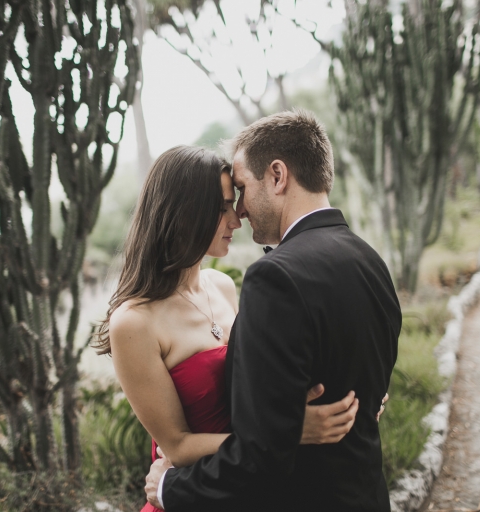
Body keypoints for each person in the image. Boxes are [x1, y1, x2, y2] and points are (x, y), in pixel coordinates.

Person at [144, 110, 401, 511]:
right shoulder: (369, 260)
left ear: (278, 176)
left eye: (242, 189)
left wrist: (169, 489)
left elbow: (260, 455)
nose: (240, 212)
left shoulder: (274, 277)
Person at [94, 145, 363, 512]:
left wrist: (357, 388)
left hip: (248, 483)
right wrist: (286, 434)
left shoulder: (221, 285)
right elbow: (178, 446)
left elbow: (252, 388)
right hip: (196, 494)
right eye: (222, 208)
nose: (236, 220)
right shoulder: (134, 322)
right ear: (184, 213)